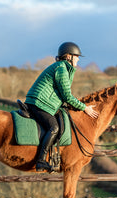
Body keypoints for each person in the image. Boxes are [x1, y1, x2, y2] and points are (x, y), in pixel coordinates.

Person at [25, 42, 99, 172]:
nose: (78, 59)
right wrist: (84, 108)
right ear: (68, 56)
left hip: (45, 103)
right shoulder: (61, 69)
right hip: (39, 103)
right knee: (54, 127)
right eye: (76, 56)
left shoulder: (63, 68)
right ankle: (41, 161)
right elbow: (67, 96)